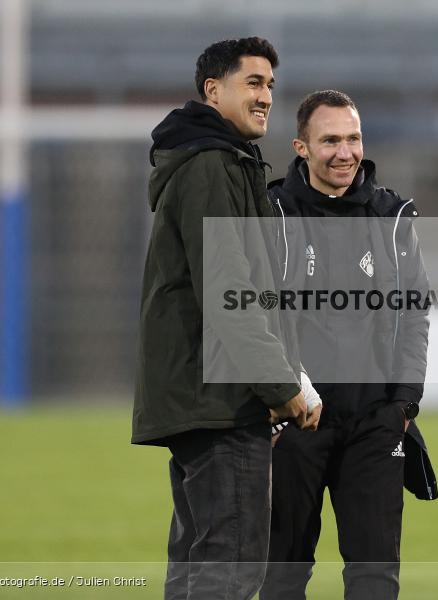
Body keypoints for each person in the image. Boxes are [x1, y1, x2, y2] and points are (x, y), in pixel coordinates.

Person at [132, 37, 319, 600]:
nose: (265, 96)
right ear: (213, 90)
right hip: (220, 401)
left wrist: (288, 372)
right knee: (230, 569)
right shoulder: (212, 165)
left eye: (269, 85)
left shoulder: (217, 161)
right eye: (252, 83)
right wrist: (281, 386)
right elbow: (229, 291)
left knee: (198, 566)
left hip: (204, 396)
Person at [260, 90, 433, 600]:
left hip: (375, 422)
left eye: (353, 138)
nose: (344, 152)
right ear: (301, 147)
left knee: (375, 576)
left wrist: (403, 403)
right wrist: (275, 395)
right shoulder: (272, 212)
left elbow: (415, 312)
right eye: (330, 139)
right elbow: (253, 311)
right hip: (296, 419)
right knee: (283, 570)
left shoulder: (392, 216)